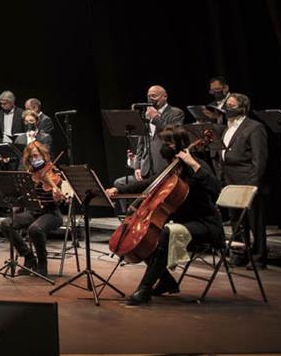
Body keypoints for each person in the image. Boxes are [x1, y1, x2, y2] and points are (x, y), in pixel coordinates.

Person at [106, 125, 223, 305]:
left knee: (166, 233)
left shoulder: (197, 165)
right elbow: (148, 183)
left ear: (181, 145)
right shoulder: (172, 169)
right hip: (184, 223)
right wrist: (118, 189)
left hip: (205, 224)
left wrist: (192, 163)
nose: (164, 146)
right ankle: (167, 281)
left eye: (169, 143)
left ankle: (145, 289)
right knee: (143, 237)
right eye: (164, 142)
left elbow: (216, 188)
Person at [113, 85, 185, 214]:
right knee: (120, 184)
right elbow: (141, 143)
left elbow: (172, 134)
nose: (151, 99)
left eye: (154, 96)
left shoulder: (176, 113)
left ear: (165, 96)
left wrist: (155, 118)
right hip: (146, 168)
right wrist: (137, 167)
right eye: (149, 96)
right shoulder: (146, 115)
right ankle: (129, 216)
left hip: (163, 166)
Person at [215, 94, 269, 266]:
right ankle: (240, 254)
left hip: (247, 181)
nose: (227, 108)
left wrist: (253, 184)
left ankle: (259, 257)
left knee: (254, 221)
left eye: (231, 105)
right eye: (226, 105)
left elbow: (259, 160)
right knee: (236, 220)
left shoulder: (254, 127)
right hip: (230, 180)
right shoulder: (227, 127)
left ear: (242, 108)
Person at [0, 140, 64, 276]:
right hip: (33, 212)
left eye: (36, 156)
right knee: (6, 224)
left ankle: (42, 264)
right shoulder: (29, 174)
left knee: (34, 229)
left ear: (43, 155)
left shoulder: (54, 172)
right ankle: (29, 257)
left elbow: (63, 199)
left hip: (51, 213)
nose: (34, 159)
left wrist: (57, 195)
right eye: (31, 157)